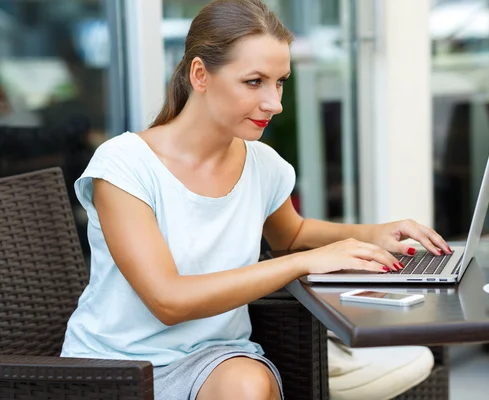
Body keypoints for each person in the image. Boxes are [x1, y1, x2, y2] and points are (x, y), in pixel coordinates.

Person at [60, 0, 451, 399]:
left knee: (248, 384)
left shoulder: (262, 164)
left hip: (215, 358)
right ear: (200, 75)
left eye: (279, 81)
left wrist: (373, 234)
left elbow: (292, 233)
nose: (275, 103)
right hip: (116, 368)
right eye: (254, 82)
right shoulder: (125, 164)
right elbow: (168, 300)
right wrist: (301, 263)